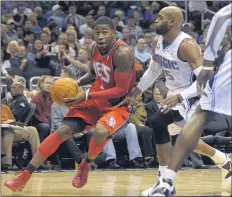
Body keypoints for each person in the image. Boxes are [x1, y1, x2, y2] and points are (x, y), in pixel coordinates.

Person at [4, 16, 136, 192]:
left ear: (114, 33)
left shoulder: (122, 54)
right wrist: (76, 84)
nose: (101, 36)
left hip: (117, 105)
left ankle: (86, 163)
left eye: (105, 32)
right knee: (62, 131)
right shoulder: (94, 48)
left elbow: (121, 89)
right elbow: (92, 73)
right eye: (97, 33)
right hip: (94, 100)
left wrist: (86, 94)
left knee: (100, 132)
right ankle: (24, 175)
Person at [117, 6, 230, 196]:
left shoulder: (186, 45)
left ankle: (164, 180)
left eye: (160, 18)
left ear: (172, 22)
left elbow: (203, 81)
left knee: (157, 122)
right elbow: (153, 71)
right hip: (174, 94)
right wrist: (136, 92)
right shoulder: (157, 41)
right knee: (184, 140)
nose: (155, 20)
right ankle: (224, 160)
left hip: (193, 95)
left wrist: (179, 97)